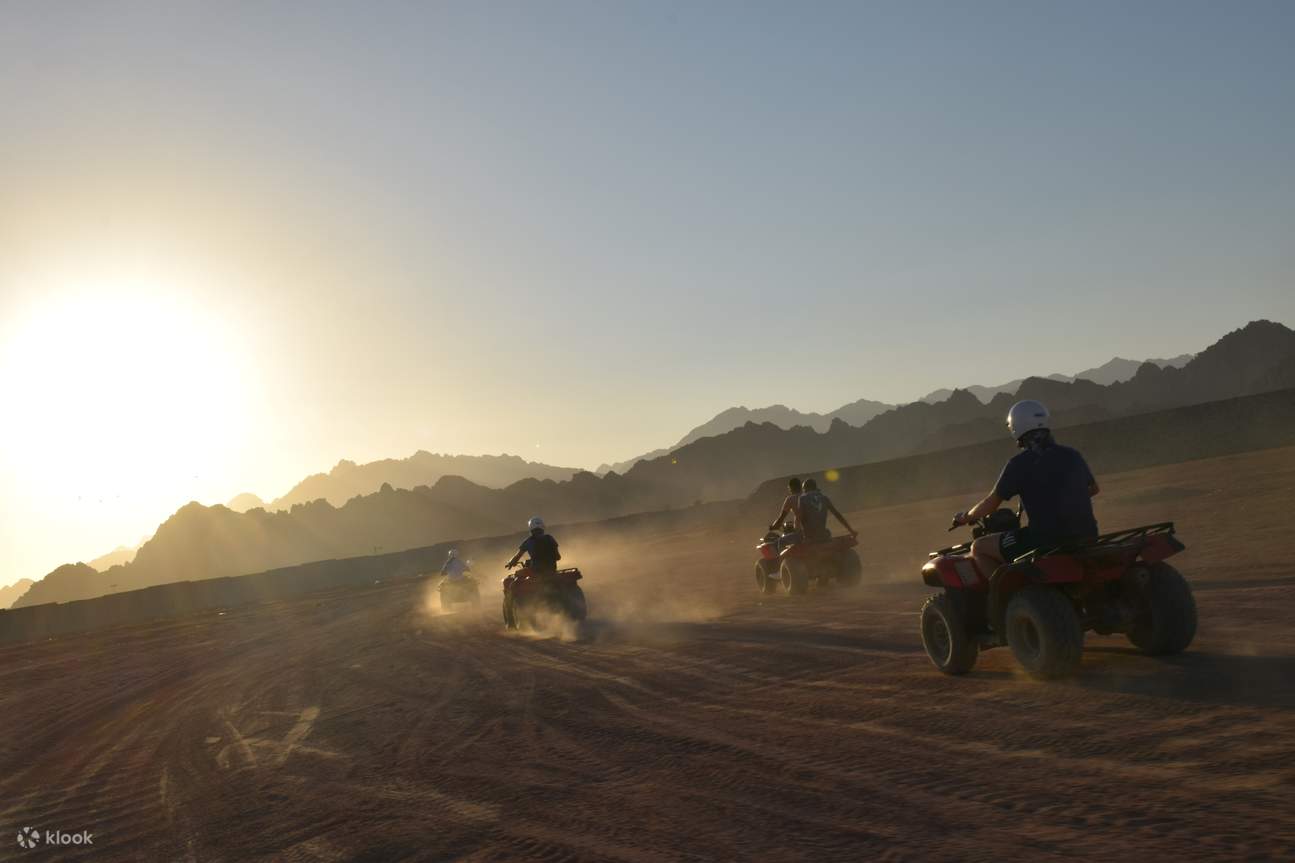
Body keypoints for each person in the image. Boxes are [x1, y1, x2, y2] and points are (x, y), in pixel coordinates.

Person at [952, 399, 1100, 577]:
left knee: (979, 547)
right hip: (1088, 535)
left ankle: (1004, 593)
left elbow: (991, 503)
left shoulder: (1019, 464)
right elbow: (1093, 489)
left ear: (1016, 427)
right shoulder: (1072, 455)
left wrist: (966, 517)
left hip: (1045, 540)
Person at [797, 478, 857, 542]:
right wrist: (851, 530)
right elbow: (837, 515)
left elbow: (799, 518)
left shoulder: (802, 498)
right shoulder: (824, 498)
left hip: (809, 537)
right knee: (827, 531)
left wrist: (798, 532)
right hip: (823, 534)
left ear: (805, 489)